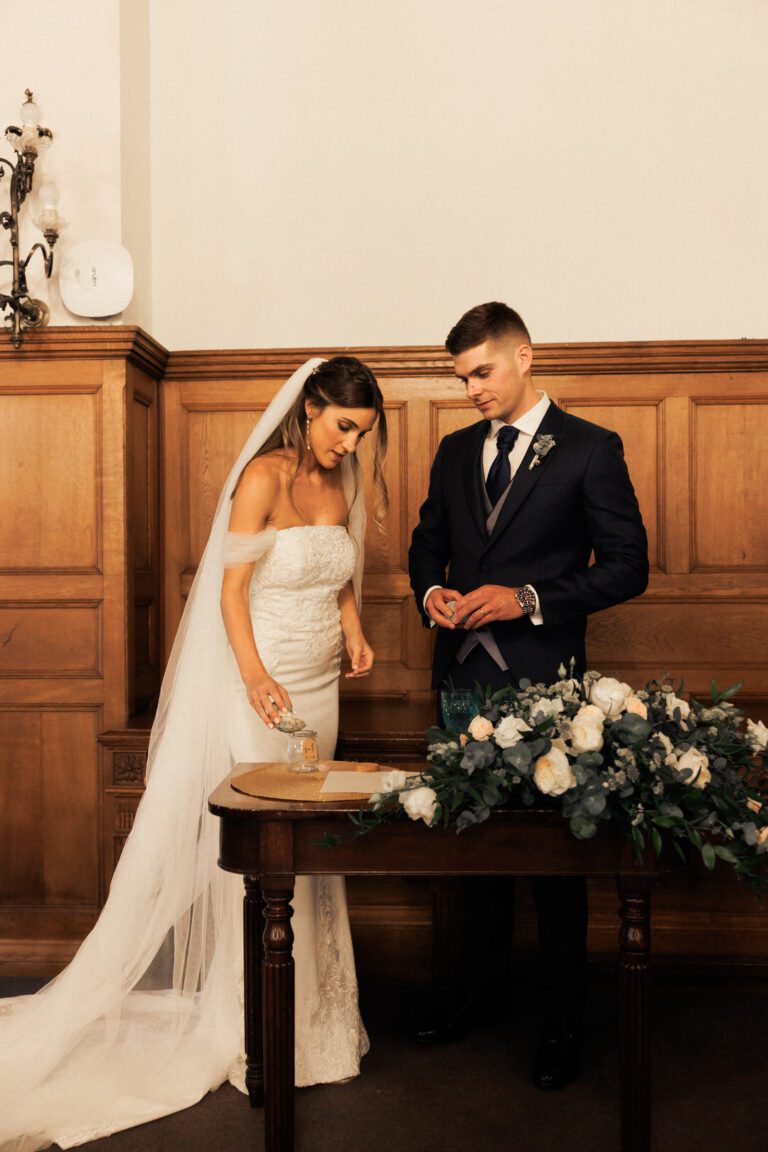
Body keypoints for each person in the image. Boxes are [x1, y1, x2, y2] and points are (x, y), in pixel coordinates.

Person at [0, 356, 387, 1151]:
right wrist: (252, 675)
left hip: (322, 688)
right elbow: (230, 592)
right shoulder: (263, 478)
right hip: (265, 684)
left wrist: (353, 628)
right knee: (267, 844)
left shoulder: (341, 482)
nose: (351, 445)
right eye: (343, 426)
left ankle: (319, 1023)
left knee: (314, 845)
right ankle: (253, 1024)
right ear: (311, 409)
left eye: (363, 434)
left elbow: (340, 571)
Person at [408, 302, 648, 1089]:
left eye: (481, 372)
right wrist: (433, 593)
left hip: (548, 689)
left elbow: (627, 566)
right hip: (458, 684)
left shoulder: (589, 449)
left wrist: (528, 599)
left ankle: (562, 1024)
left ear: (524, 357)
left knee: (553, 864)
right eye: (461, 377)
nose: (471, 389)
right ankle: (473, 998)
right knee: (469, 853)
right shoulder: (450, 454)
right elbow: (426, 546)